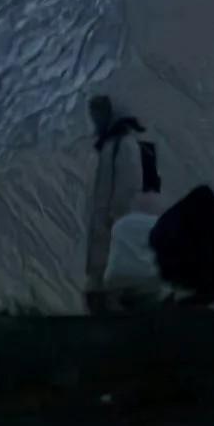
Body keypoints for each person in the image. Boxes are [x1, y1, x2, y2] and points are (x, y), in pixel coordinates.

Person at [83, 94, 160, 312]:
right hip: (108, 228)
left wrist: (116, 218)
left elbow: (127, 186)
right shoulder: (111, 145)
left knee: (112, 276)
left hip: (113, 228)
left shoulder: (123, 145)